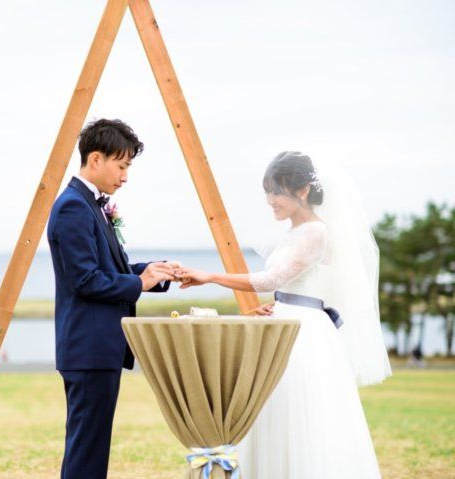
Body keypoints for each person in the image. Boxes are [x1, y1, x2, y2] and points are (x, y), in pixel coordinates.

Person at [177, 151, 392, 479]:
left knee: (297, 408)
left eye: (276, 192)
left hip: (303, 333)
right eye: (267, 191)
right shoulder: (293, 232)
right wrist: (276, 306)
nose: (269, 200)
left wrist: (209, 276)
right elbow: (285, 286)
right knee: (269, 405)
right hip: (283, 321)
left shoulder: (317, 232)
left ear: (303, 190)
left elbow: (270, 280)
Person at [47, 119, 177, 479]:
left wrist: (154, 272)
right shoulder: (73, 206)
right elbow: (86, 280)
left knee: (91, 447)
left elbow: (110, 268)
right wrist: (139, 283)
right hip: (88, 347)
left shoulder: (91, 204)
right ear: (95, 159)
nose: (125, 177)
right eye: (122, 166)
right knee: (87, 451)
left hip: (98, 349)